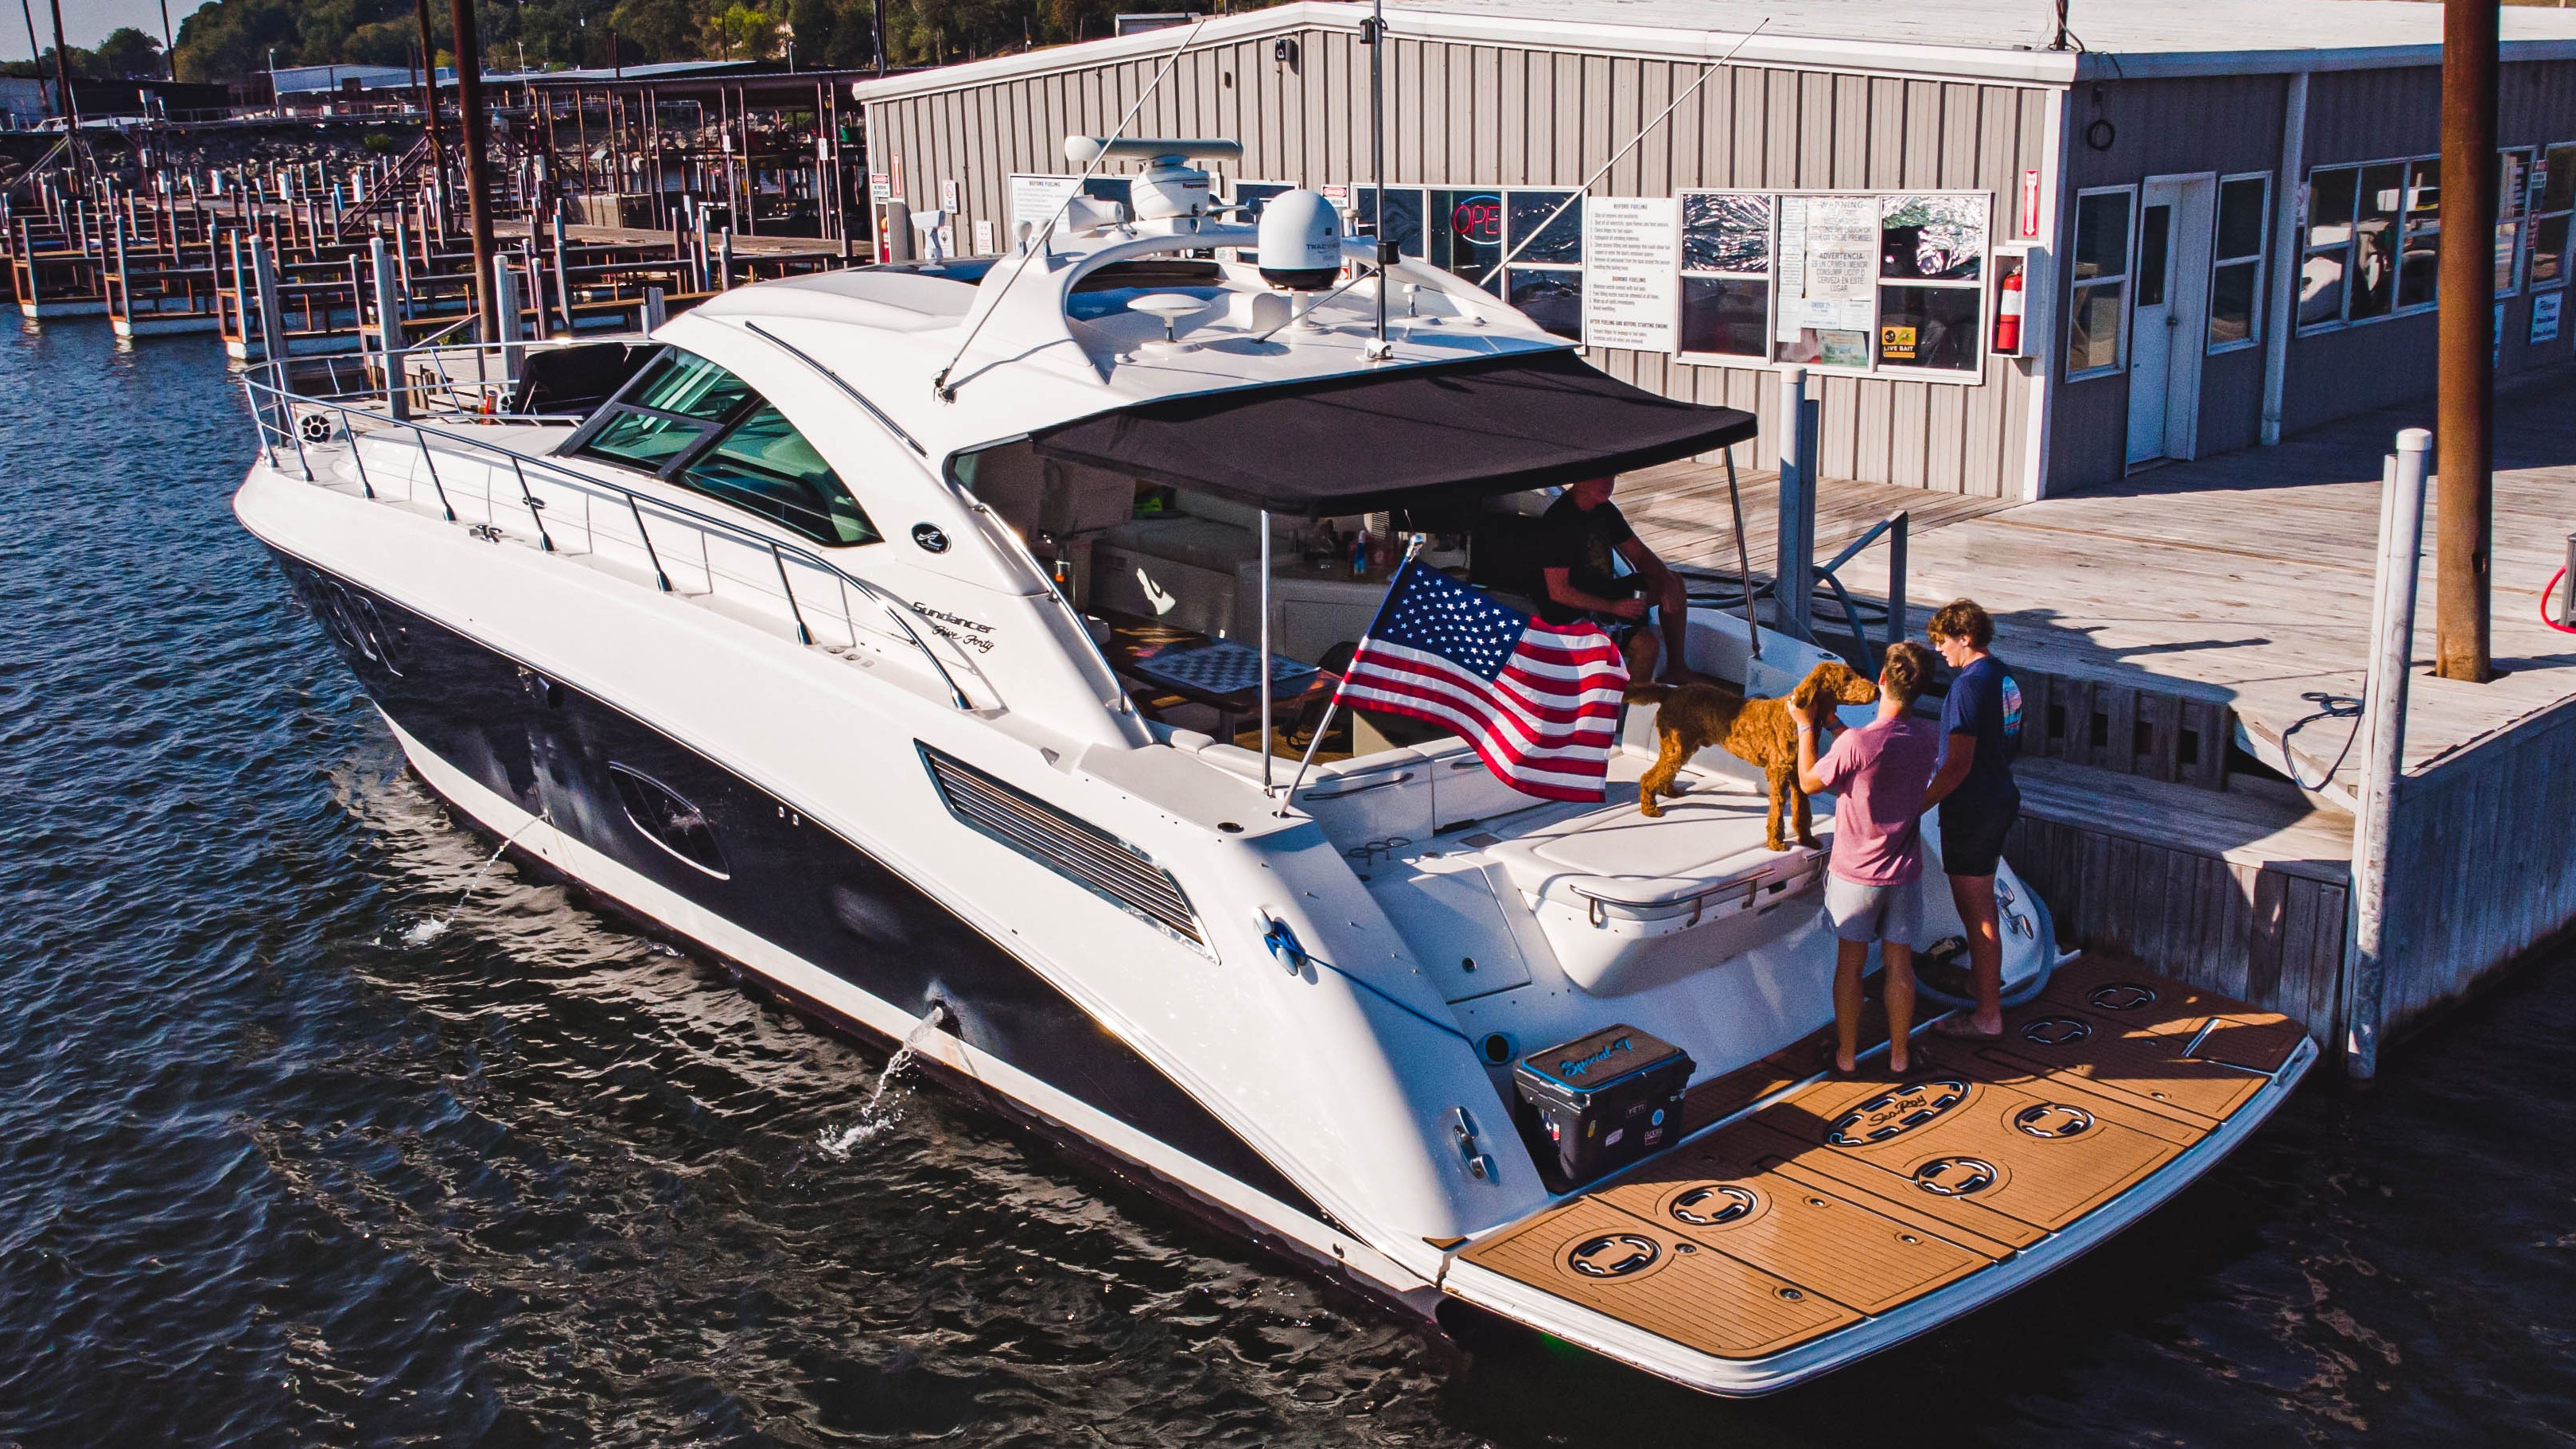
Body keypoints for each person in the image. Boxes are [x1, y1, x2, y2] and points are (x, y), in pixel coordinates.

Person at [1788, 642, 1944, 1076]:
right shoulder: (1929, 736)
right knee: (1900, 965)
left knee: (1850, 967)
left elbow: (1808, 781)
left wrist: (1806, 728)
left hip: (1856, 876)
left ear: (1880, 682)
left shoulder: (1857, 743)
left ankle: (1846, 1057)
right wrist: (1835, 723)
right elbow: (1875, 754)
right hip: (1904, 873)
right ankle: (1898, 1056)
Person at [1920, 598, 2025, 1040]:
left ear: (1965, 637)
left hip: (1972, 809)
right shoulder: (2004, 677)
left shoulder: (1966, 687)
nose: (1940, 651)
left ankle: (1987, 1015)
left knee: (1977, 912)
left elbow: (1958, 764)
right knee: (1980, 906)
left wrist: (1917, 806)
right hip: (1999, 796)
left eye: (1943, 642)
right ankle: (1980, 984)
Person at [1536, 476, 1699, 683]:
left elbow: (1639, 555)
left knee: (1673, 582)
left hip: (1606, 593)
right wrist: (1613, 607)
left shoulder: (1605, 510)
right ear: (1581, 479)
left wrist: (1666, 581)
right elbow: (1559, 591)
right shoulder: (1559, 521)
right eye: (1600, 477)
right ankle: (1625, 709)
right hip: (1572, 613)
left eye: (1611, 476)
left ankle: (1677, 669)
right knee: (1647, 646)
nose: (1608, 483)